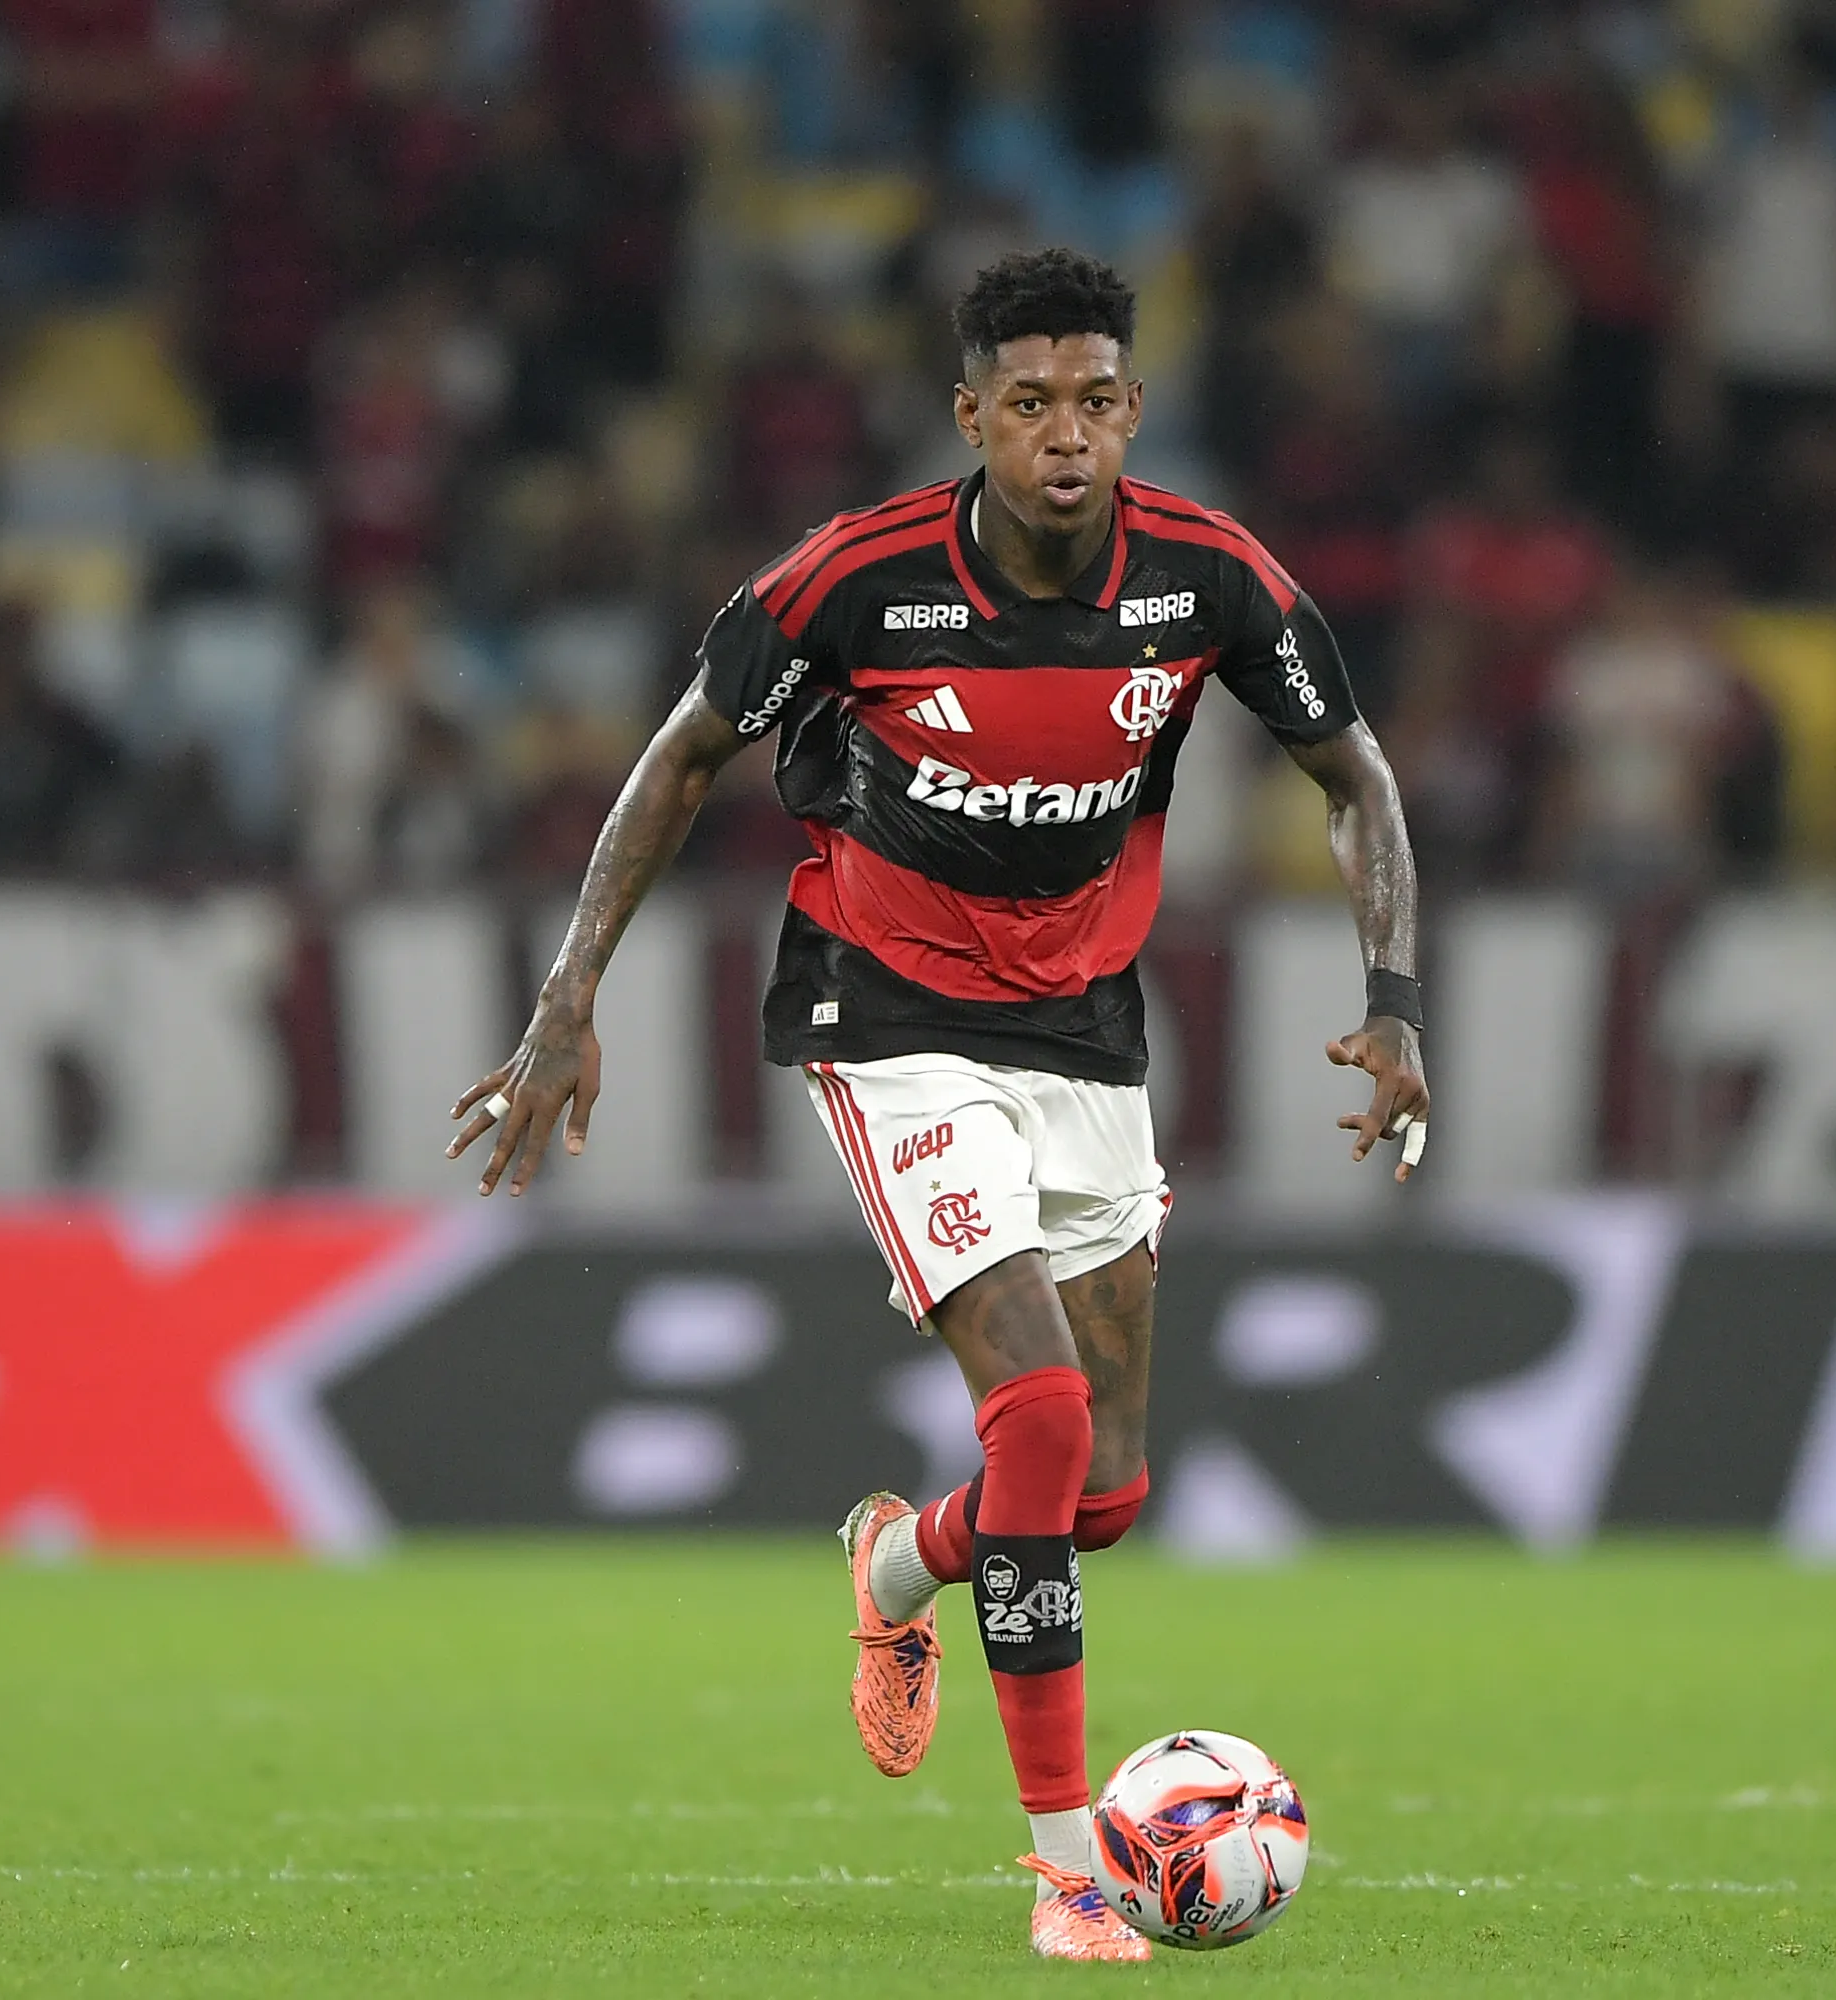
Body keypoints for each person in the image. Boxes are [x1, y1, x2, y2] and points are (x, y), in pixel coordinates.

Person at [446, 250, 1429, 1963]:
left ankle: (904, 1564)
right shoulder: (853, 580)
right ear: (970, 414)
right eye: (1031, 404)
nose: (1069, 436)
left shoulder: (1208, 578)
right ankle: (1069, 1873)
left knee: (1106, 1491)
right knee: (1040, 1420)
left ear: (1134, 410)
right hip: (885, 1010)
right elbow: (682, 756)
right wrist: (567, 995)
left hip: (1086, 1029)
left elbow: (1355, 775)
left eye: (1098, 402)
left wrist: (1393, 999)